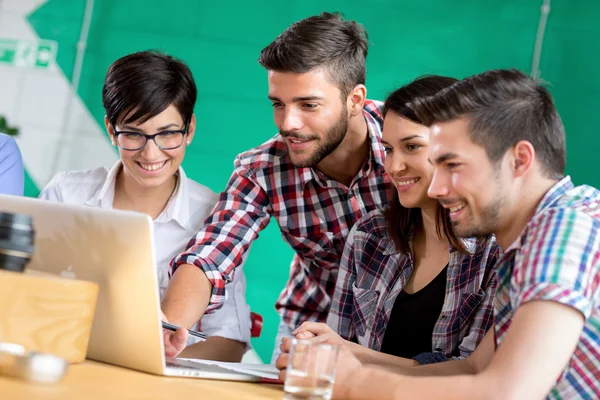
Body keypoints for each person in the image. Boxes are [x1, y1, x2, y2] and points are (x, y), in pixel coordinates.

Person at [302, 69, 600, 399]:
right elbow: (473, 368)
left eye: (453, 166)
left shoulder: (565, 229)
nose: (439, 188)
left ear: (519, 160)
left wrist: (353, 383)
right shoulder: (526, 242)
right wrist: (348, 359)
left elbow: (508, 393)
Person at [160, 12, 391, 361]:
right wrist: (165, 330)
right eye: (278, 104)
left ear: (355, 100)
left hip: (401, 333)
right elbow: (211, 253)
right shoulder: (263, 169)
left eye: (308, 105)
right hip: (313, 327)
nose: (289, 123)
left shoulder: (409, 141)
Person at [39, 50, 251, 362]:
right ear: (112, 131)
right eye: (133, 134)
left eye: (167, 134)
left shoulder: (216, 217)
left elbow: (229, 343)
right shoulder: (65, 195)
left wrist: (150, 358)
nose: (151, 154)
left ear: (189, 129)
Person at [280, 76, 499, 369]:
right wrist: (314, 354)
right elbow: (336, 355)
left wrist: (346, 353)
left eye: (412, 147)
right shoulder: (369, 236)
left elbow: (470, 372)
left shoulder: (497, 251)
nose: (394, 167)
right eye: (390, 149)